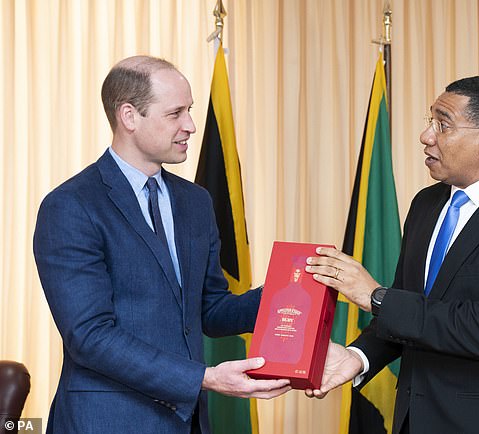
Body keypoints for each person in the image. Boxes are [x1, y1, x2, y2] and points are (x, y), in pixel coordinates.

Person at [33, 56, 290, 434]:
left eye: (190, 110)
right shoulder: (71, 206)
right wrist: (204, 378)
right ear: (129, 117)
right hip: (106, 422)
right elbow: (90, 337)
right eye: (175, 113)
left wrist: (290, 292)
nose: (191, 125)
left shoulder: (196, 201)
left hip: (187, 423)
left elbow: (210, 309)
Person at [305, 76, 479, 433]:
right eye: (429, 121)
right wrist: (358, 356)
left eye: (442, 125)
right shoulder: (426, 204)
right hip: (414, 421)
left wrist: (376, 297)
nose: (426, 136)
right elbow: (411, 307)